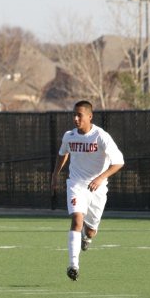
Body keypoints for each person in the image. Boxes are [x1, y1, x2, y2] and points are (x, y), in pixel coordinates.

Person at [51, 100, 125, 282]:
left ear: (89, 117)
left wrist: (101, 178)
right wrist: (55, 175)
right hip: (76, 184)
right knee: (77, 219)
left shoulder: (101, 136)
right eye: (74, 115)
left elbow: (119, 162)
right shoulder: (69, 136)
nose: (76, 118)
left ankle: (86, 237)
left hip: (97, 189)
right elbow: (63, 153)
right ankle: (73, 265)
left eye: (80, 115)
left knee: (91, 230)